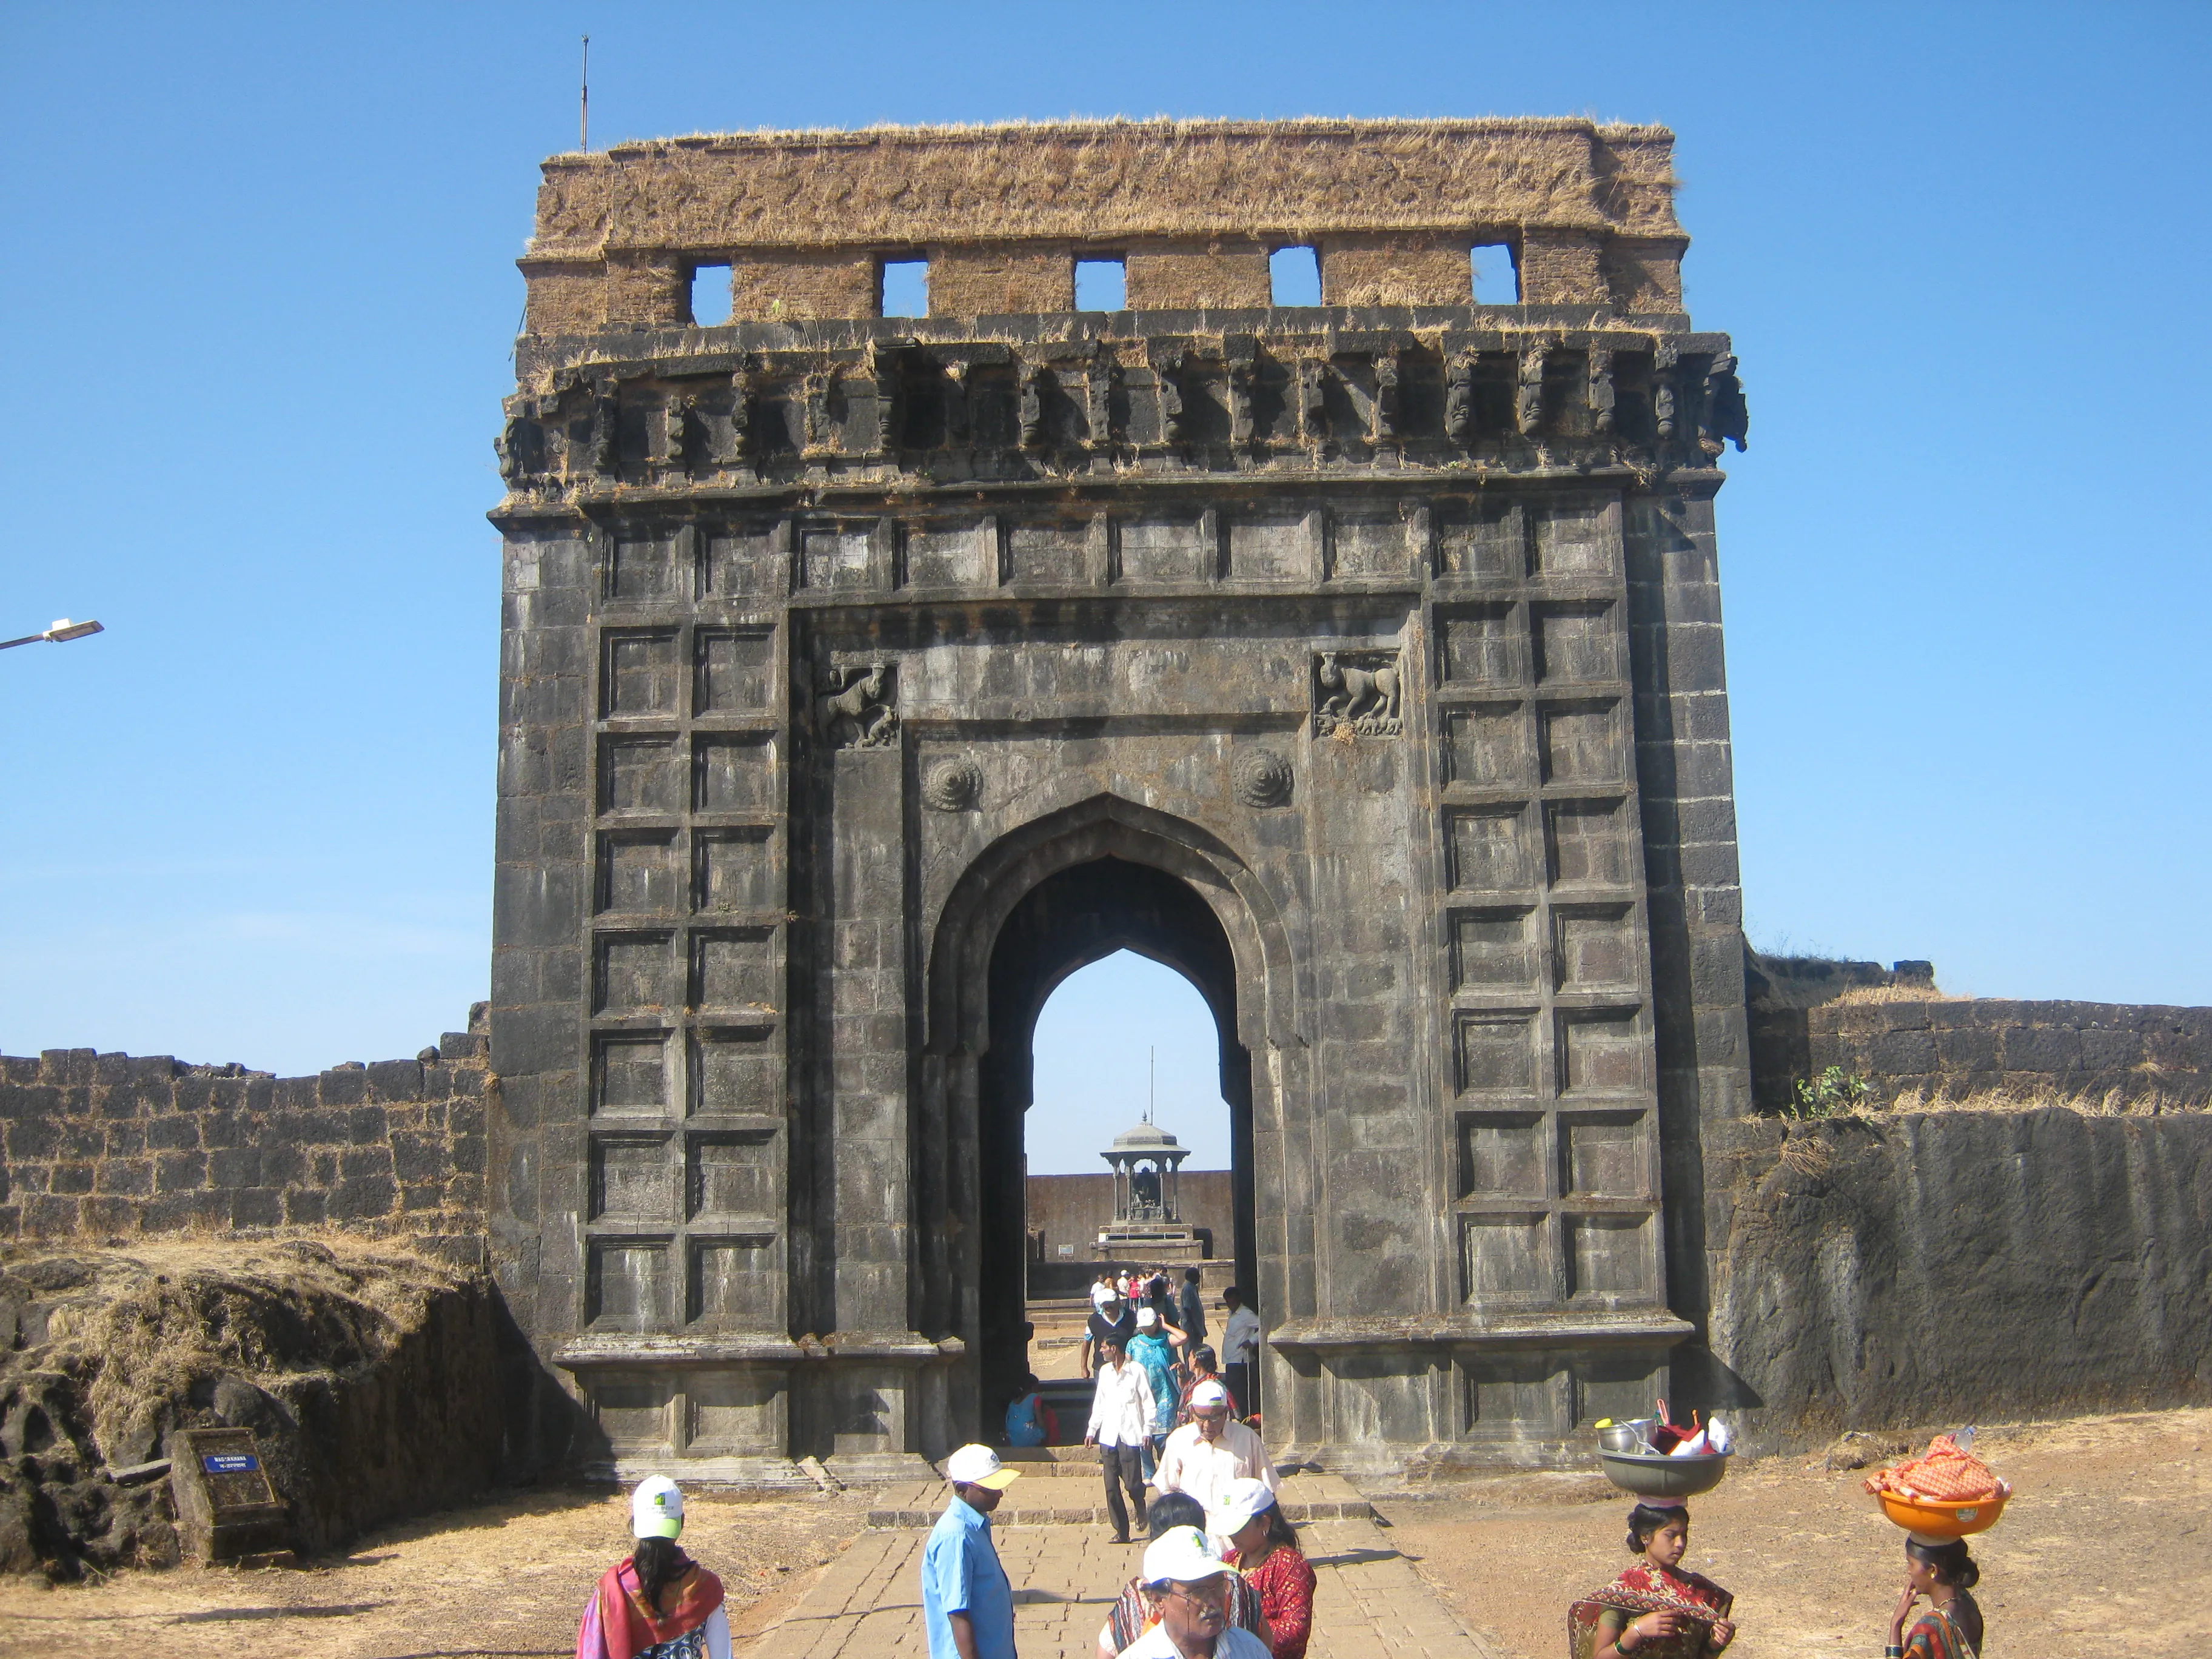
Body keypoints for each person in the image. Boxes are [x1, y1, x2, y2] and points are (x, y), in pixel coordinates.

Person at [1097, 1493, 1272, 1659]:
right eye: (1197, 1592)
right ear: (1159, 1600)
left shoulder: (1251, 1650)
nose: (1213, 1602)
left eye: (1219, 1586)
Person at [575, 1476, 732, 1659]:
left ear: (634, 1524)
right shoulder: (705, 1587)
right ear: (682, 1522)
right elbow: (723, 1656)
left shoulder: (611, 1590)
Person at [1567, 1501, 1737, 1659]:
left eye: (1684, 1535)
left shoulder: (1701, 1592)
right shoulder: (1623, 1593)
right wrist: (1636, 1633)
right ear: (1645, 1537)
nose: (1680, 1544)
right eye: (1671, 1535)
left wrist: (1715, 1645)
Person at [922, 1444, 1022, 1659]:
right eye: (990, 1489)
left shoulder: (976, 1524)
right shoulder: (956, 1536)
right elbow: (958, 1613)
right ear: (962, 1489)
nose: (1000, 1494)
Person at [1208, 1478, 1313, 1659]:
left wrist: (1241, 1630)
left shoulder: (1289, 1566)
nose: (1232, 1536)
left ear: (1264, 1523)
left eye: (1238, 1529)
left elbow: (1296, 1630)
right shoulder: (1230, 1559)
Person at [1155, 1380, 1279, 1515]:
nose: (1207, 1426)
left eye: (1214, 1418)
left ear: (1226, 1413)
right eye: (1202, 1418)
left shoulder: (1247, 1438)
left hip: (1238, 1528)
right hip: (1196, 1530)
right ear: (1192, 1413)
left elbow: (1267, 1488)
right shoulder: (1179, 1440)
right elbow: (1166, 1490)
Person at [1087, 1333, 1157, 1544]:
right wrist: (1092, 1430)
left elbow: (1147, 1402)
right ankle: (1121, 1531)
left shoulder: (1136, 1371)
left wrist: (1148, 1430)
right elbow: (1099, 1403)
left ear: (1114, 1349)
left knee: (1132, 1483)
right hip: (1109, 1436)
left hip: (1130, 1434)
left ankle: (1139, 1505)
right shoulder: (1105, 1372)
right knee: (1110, 1486)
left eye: (1104, 1347)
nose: (1101, 1350)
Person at [1888, 1535, 1983, 1659]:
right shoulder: (1966, 1601)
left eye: (1911, 1564)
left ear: (1933, 1570)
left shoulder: (1930, 1627)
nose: (1909, 1571)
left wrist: (1896, 1623)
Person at [1128, 1306, 1184, 1480]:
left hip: (1164, 1393)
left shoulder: (1165, 1339)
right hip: (1142, 1395)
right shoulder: (1133, 1343)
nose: (1146, 1329)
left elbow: (1183, 1338)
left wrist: (1166, 1325)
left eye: (1150, 1325)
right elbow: (1128, 1367)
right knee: (1145, 1436)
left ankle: (1166, 1470)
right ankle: (1149, 1472)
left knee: (1162, 1436)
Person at [1219, 1289, 1260, 1418]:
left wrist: (1252, 1341)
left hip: (1240, 1359)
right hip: (1230, 1358)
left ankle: (1242, 1418)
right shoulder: (1232, 1313)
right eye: (1228, 1303)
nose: (1231, 1305)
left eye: (1233, 1302)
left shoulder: (1245, 1314)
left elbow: (1264, 1326)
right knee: (1232, 1392)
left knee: (1239, 1394)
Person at [1084, 1288, 1137, 1378]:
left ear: (1118, 1302)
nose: (1108, 1306)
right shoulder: (1094, 1320)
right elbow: (1087, 1342)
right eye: (1105, 1304)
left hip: (1126, 1366)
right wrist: (1084, 1367)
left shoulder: (1130, 1317)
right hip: (1101, 1366)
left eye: (1110, 1303)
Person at [1005, 1372, 1056, 1448]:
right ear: (1033, 1388)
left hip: (1014, 1440)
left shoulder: (1013, 1402)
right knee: (1049, 1416)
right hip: (1028, 1439)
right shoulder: (1035, 1397)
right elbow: (1041, 1423)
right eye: (1038, 1387)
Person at [1178, 1346, 1222, 1425]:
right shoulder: (1195, 1381)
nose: (1188, 1359)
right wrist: (1181, 1375)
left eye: (1190, 1356)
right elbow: (1186, 1391)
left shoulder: (1209, 1385)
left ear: (1195, 1361)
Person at [1178, 1268, 1207, 1348]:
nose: (1199, 1277)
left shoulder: (1192, 1287)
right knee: (1191, 1351)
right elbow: (1188, 1308)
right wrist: (1194, 1326)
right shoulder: (1188, 1288)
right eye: (1197, 1276)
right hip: (1191, 1327)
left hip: (1195, 1326)